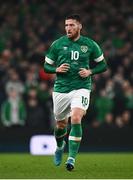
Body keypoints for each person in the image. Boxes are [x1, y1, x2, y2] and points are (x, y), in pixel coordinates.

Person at [44, 14, 108, 171]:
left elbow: (103, 65)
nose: (68, 28)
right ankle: (60, 146)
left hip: (81, 87)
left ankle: (71, 158)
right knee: (60, 124)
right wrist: (56, 69)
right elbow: (46, 67)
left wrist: (90, 71)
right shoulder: (57, 44)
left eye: (72, 25)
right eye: (66, 25)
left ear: (80, 26)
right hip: (61, 89)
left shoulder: (90, 45)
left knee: (76, 117)